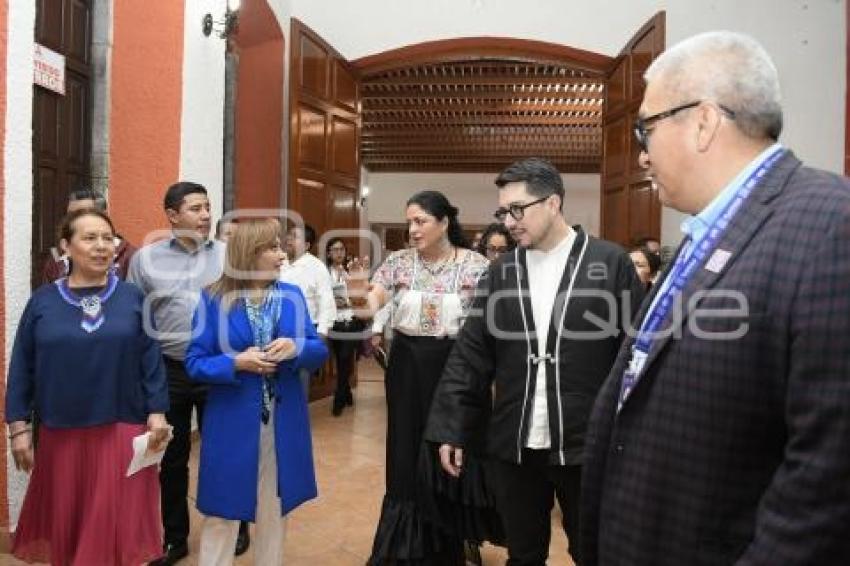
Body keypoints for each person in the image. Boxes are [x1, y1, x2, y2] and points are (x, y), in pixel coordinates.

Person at [581, 31, 850, 566]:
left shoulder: (830, 227)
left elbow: (828, 474)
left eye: (646, 129)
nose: (640, 155)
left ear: (702, 122)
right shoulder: (704, 236)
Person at [424, 157, 645, 566]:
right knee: (523, 554)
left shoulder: (609, 264)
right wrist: (452, 428)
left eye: (517, 209)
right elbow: (471, 355)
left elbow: (635, 356)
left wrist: (632, 437)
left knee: (594, 550)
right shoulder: (501, 272)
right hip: (516, 441)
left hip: (585, 443)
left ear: (553, 203)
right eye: (503, 211)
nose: (508, 221)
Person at [6, 209, 170, 565]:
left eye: (107, 238)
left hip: (123, 424)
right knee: (69, 523)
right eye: (89, 238)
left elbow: (151, 360)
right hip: (61, 429)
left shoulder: (133, 298)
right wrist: (18, 428)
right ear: (66, 246)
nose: (101, 246)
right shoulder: (43, 301)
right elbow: (23, 365)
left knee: (111, 525)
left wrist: (157, 412)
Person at [347, 190, 498, 565]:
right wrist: (355, 295)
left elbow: (487, 329)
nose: (412, 229)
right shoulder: (398, 263)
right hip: (407, 367)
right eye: (409, 222)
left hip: (455, 366)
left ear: (444, 222)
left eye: (420, 221)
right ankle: (404, 546)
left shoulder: (476, 266)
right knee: (405, 447)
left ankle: (454, 539)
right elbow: (369, 310)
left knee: (448, 448)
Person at [185, 218, 328, 566]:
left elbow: (317, 349)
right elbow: (195, 362)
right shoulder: (213, 298)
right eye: (273, 247)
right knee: (222, 511)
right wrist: (235, 363)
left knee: (274, 509)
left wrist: (296, 348)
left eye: (281, 246)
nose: (282, 254)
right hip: (231, 421)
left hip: (283, 421)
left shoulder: (291, 296)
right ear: (250, 253)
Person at [128, 181, 227, 566]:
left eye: (208, 207)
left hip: (220, 368)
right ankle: (175, 538)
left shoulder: (228, 255)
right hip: (169, 370)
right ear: (172, 216)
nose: (206, 215)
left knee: (222, 453)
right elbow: (138, 319)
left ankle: (234, 526)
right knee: (171, 457)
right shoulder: (145, 260)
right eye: (196, 209)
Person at [280, 223, 336, 396]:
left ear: (306, 245)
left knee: (299, 383)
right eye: (289, 235)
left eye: (295, 237)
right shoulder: (279, 262)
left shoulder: (316, 267)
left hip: (304, 331)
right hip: (278, 330)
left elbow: (326, 301)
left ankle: (298, 420)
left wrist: (321, 334)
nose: (289, 239)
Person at [42, 187, 137, 283]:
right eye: (70, 215)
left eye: (82, 214)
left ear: (104, 215)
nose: (73, 221)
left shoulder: (129, 256)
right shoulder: (57, 255)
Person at [325, 237, 367, 416]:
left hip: (352, 321)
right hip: (333, 321)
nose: (339, 252)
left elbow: (364, 295)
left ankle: (339, 398)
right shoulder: (324, 272)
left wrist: (350, 299)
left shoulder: (353, 270)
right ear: (328, 253)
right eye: (335, 249)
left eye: (341, 249)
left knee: (346, 357)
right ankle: (347, 391)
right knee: (339, 358)